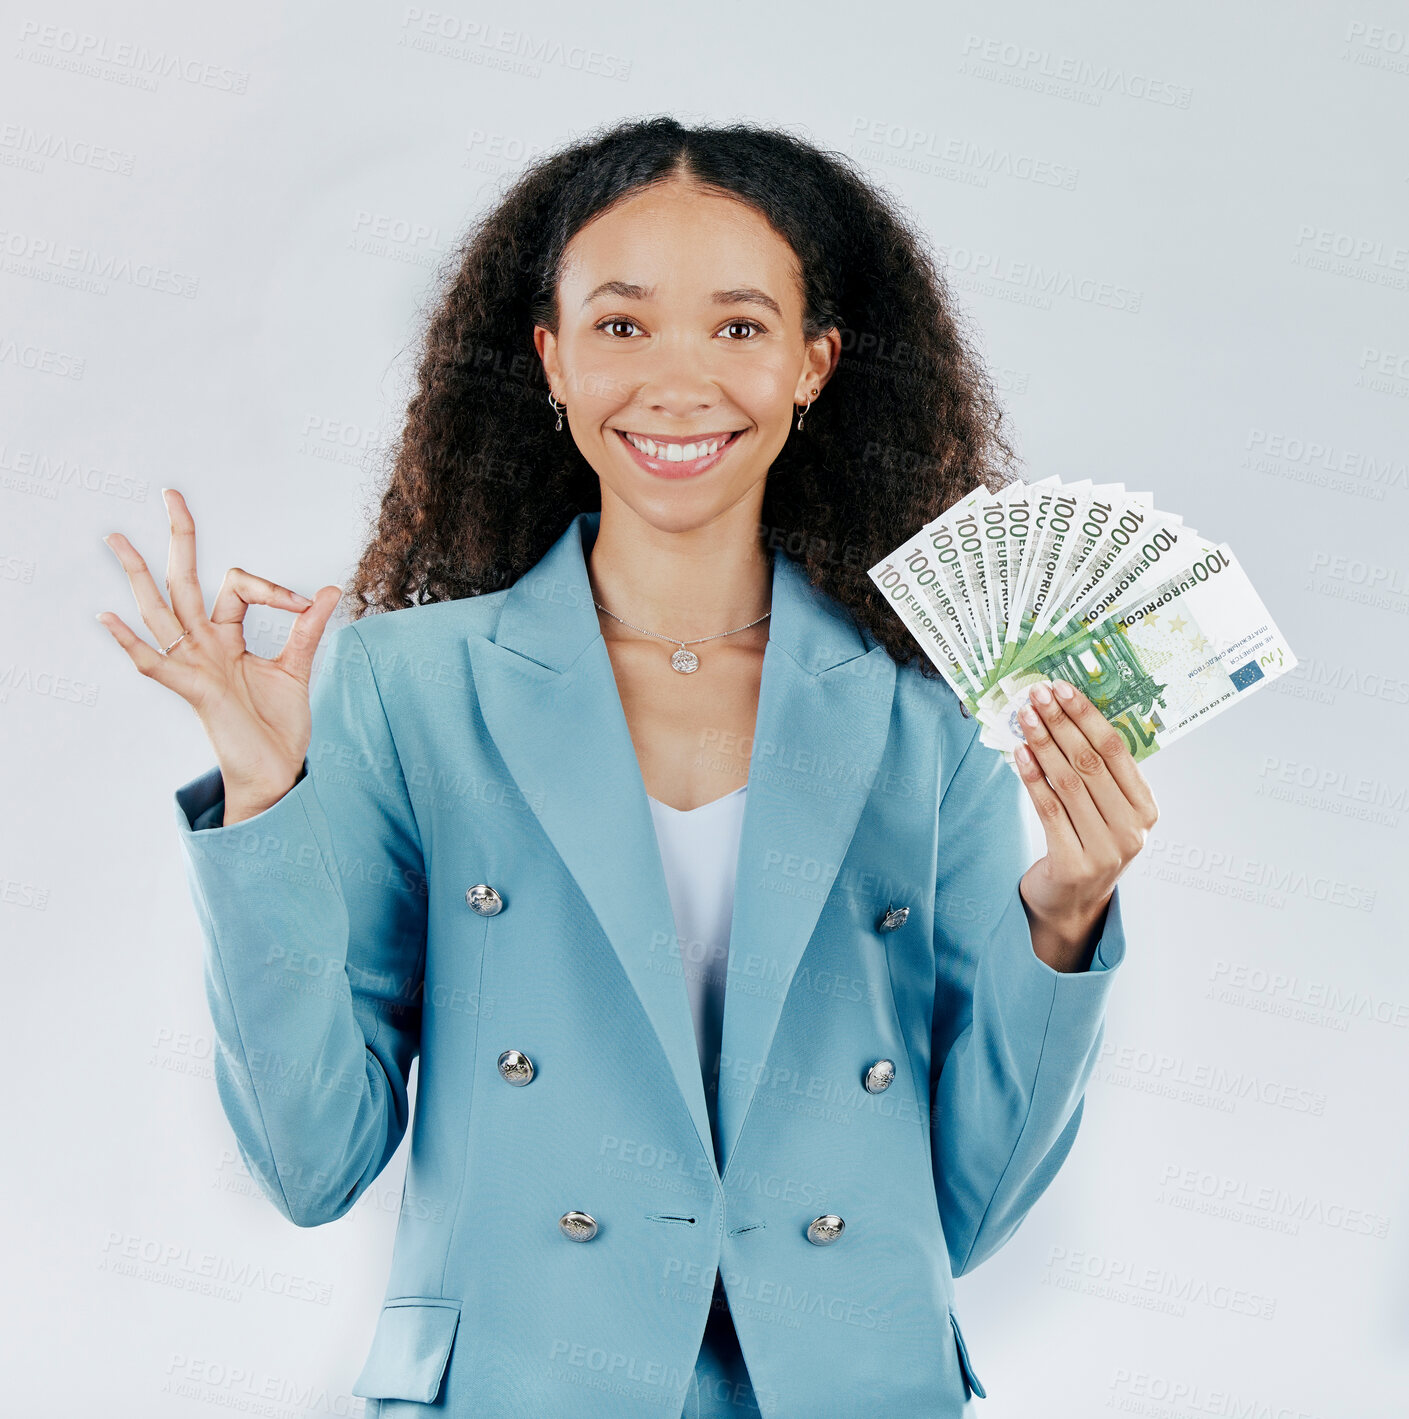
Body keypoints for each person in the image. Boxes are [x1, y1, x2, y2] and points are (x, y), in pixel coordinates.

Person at [98, 117, 1157, 1419]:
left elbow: (964, 1209)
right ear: (546, 357)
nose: (676, 381)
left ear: (814, 365)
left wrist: (1061, 922)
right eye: (619, 325)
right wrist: (265, 806)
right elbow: (309, 1164)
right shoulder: (406, 687)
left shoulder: (923, 713)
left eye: (736, 327)